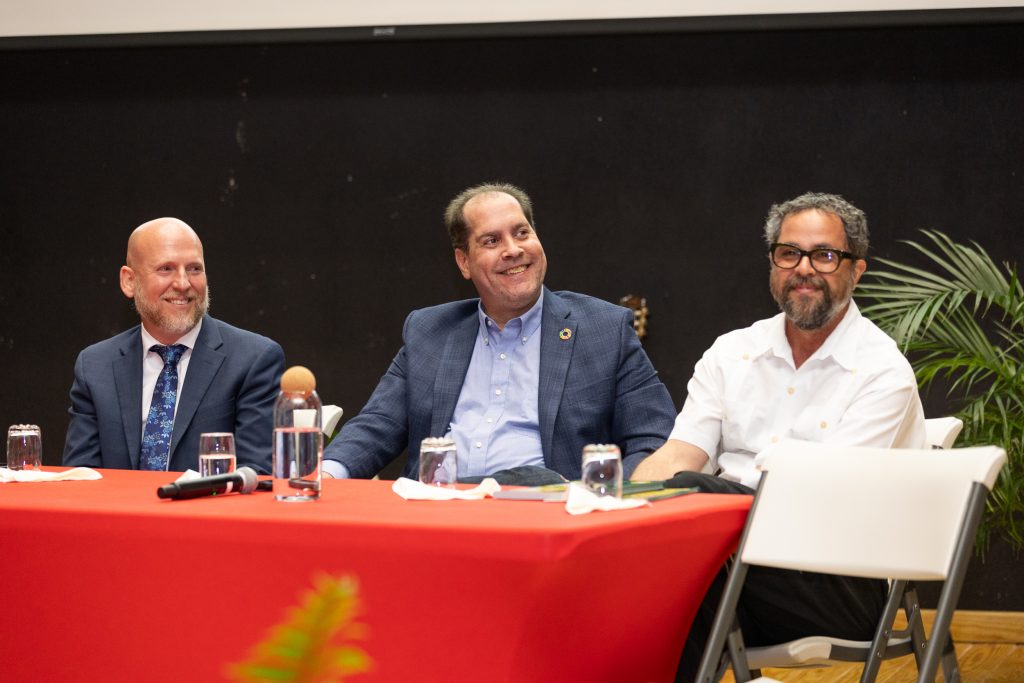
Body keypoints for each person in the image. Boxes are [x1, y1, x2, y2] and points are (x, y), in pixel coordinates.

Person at [630, 192, 926, 682]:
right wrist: (628, 512)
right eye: (789, 253)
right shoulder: (732, 353)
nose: (804, 268)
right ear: (772, 265)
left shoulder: (882, 371)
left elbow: (820, 499)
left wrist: (705, 508)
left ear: (857, 270)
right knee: (655, 572)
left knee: (698, 517)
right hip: (725, 566)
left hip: (837, 581)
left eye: (825, 255)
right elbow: (680, 453)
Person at [322, 182, 676, 484]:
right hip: (438, 512)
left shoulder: (603, 329)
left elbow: (655, 439)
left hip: (546, 517)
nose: (513, 250)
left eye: (522, 233)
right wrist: (326, 475)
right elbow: (377, 424)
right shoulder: (430, 331)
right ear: (464, 262)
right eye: (492, 241)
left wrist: (598, 495)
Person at [62, 217, 284, 473]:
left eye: (194, 269)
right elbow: (81, 477)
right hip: (120, 512)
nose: (183, 283)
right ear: (129, 281)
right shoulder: (95, 366)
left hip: (209, 511)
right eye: (166, 269)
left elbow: (257, 474)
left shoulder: (253, 359)